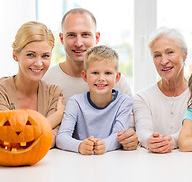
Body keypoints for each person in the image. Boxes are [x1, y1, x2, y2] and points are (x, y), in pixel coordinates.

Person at [43, 8, 137, 150]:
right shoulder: (47, 80)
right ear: (61, 38)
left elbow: (128, 130)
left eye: (85, 34)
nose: (79, 43)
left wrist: (131, 138)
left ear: (97, 37)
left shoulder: (118, 83)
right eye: (71, 35)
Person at [0, 21, 65, 148]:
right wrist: (56, 117)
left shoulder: (54, 93)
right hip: (3, 166)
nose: (38, 63)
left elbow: (51, 140)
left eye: (45, 56)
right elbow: (11, 139)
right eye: (31, 55)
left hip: (44, 166)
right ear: (15, 55)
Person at [56, 45, 132, 155]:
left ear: (117, 77)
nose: (101, 78)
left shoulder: (124, 102)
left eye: (108, 73)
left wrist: (104, 145)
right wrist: (79, 146)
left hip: (112, 160)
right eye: (95, 73)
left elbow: (118, 136)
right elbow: (61, 137)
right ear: (85, 76)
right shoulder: (75, 102)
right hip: (80, 161)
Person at [133, 27, 189, 154]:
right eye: (157, 55)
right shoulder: (142, 97)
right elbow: (143, 132)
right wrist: (150, 141)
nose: (163, 61)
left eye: (170, 52)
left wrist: (172, 140)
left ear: (184, 55)